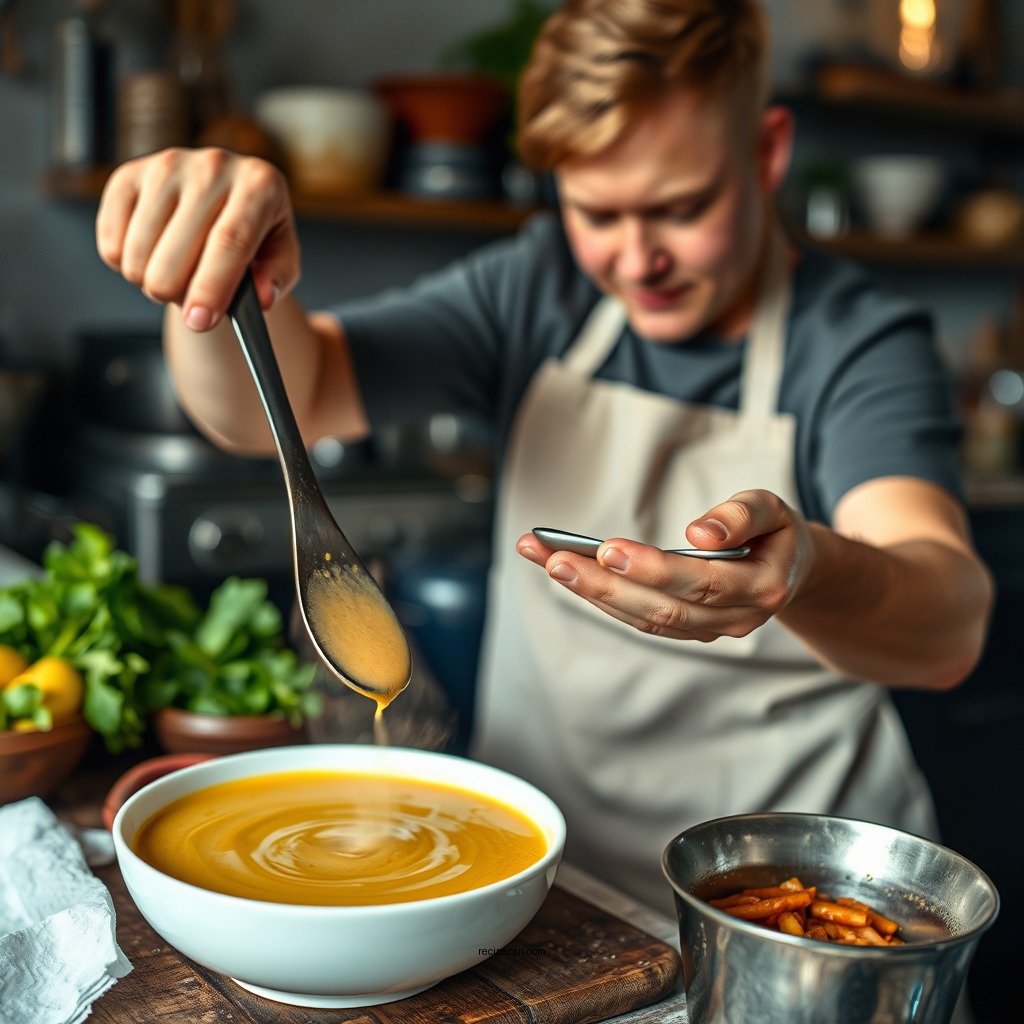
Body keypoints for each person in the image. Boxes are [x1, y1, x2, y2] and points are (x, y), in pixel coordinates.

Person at [96, 0, 993, 916]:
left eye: (681, 208)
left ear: (766, 154)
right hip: (550, 891)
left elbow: (948, 623)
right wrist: (208, 261)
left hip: (795, 909)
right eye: (597, 212)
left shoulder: (857, 342)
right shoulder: (538, 290)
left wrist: (808, 568)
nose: (637, 258)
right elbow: (267, 405)